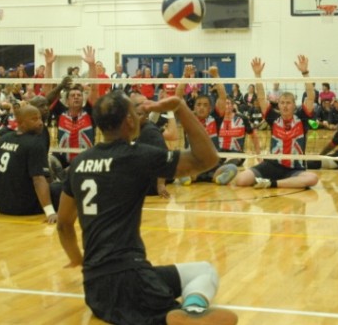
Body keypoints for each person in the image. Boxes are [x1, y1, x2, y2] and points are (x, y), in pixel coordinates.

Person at [56, 91, 237, 325]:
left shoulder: (79, 163)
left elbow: (63, 225)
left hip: (95, 288)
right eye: (135, 111)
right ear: (129, 121)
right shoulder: (137, 156)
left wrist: (78, 259)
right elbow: (207, 159)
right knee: (205, 272)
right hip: (132, 277)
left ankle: (186, 315)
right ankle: (192, 313)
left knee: (200, 270)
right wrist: (180, 107)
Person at [231, 55, 319, 189]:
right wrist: (257, 75)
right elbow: (261, 98)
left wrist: (305, 73)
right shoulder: (273, 118)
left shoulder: (302, 118)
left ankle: (272, 183)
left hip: (294, 168)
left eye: (288, 103)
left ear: (294, 105)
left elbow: (311, 96)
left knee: (313, 179)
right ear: (278, 105)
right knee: (241, 180)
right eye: (282, 103)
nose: (285, 106)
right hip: (272, 165)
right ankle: (278, 182)